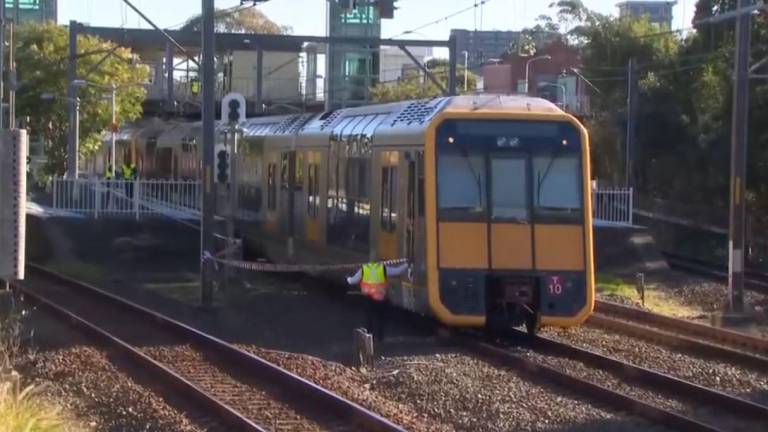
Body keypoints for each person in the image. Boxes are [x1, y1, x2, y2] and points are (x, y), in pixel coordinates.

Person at [346, 260, 410, 342]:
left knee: (369, 319)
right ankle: (380, 338)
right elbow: (398, 271)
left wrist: (347, 278)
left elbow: (352, 281)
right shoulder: (383, 268)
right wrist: (407, 264)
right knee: (380, 319)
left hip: (368, 298)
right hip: (380, 298)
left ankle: (369, 339)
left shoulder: (364, 269)